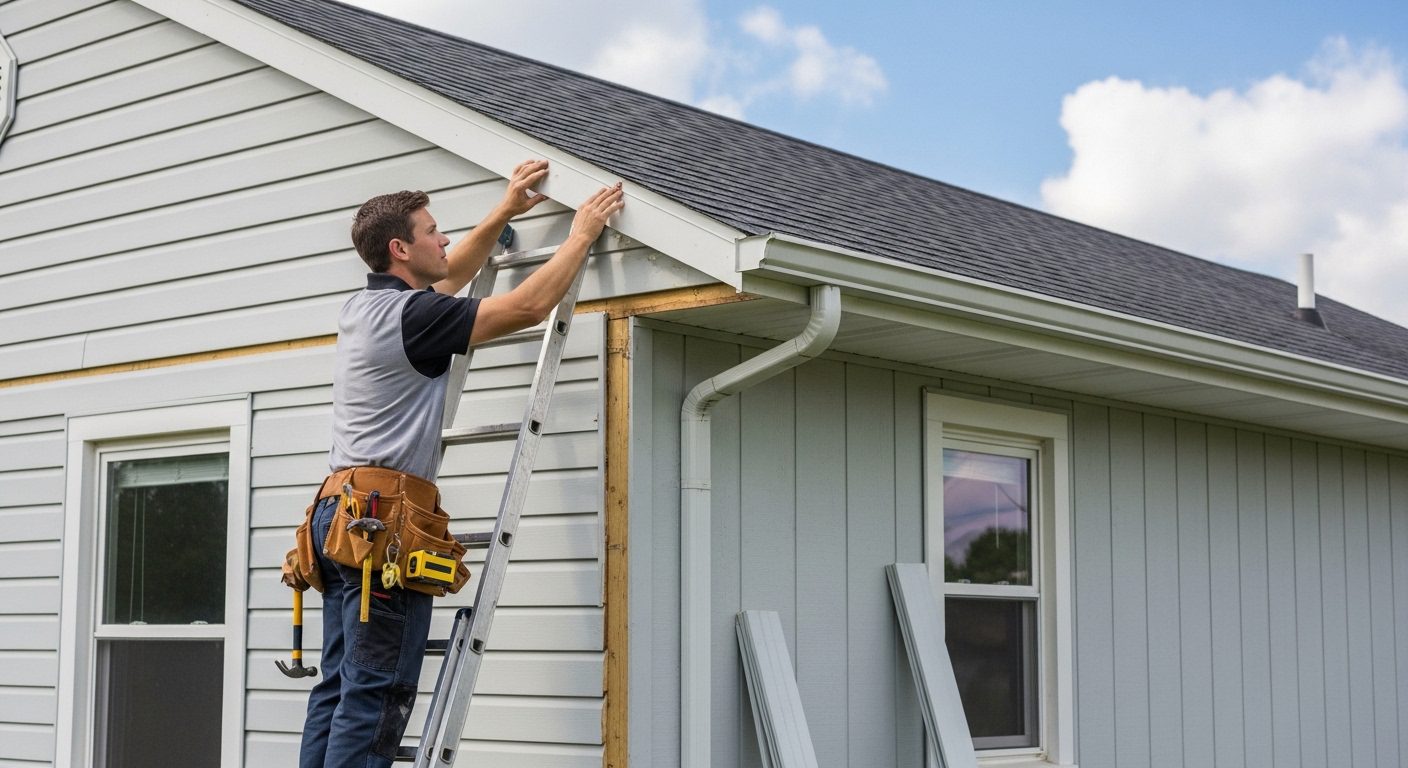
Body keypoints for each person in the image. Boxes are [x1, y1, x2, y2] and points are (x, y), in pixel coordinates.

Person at [298, 160, 624, 767]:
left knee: (340, 685)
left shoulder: (366, 310)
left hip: (337, 516)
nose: (444, 239)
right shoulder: (415, 317)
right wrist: (580, 232)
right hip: (377, 523)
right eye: (431, 231)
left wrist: (503, 210)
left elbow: (453, 273)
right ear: (401, 249)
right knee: (377, 689)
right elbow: (527, 308)